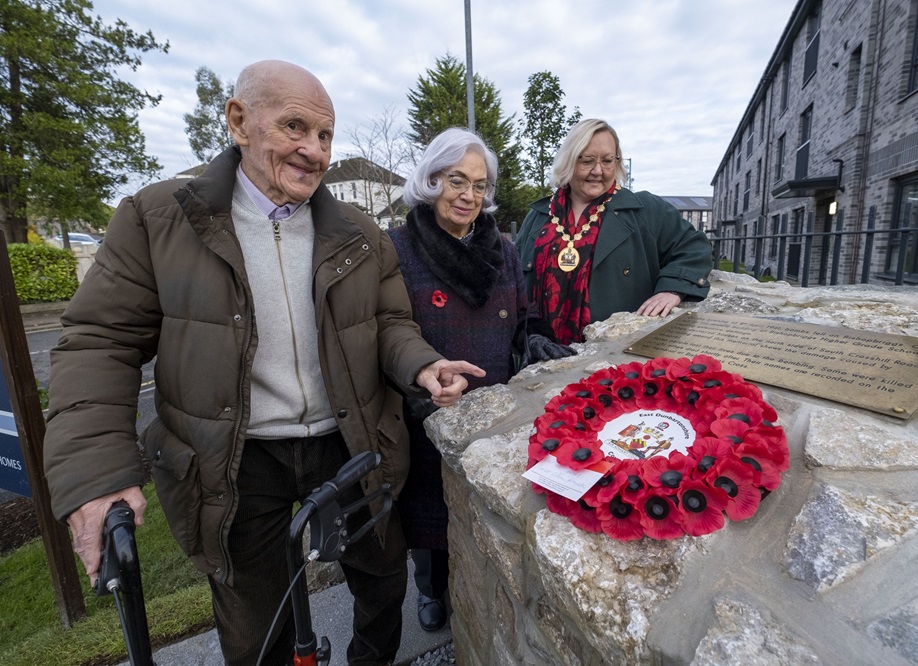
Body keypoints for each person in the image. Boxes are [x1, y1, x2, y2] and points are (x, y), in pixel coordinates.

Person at [43, 60, 484, 666]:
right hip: (236, 459)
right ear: (239, 122)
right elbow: (99, 340)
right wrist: (95, 474)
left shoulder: (360, 232)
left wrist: (422, 366)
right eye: (295, 127)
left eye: (325, 136)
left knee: (383, 583)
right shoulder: (158, 219)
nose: (314, 151)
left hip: (350, 442)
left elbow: (388, 325)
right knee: (255, 625)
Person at [387, 128, 572, 632]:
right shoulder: (398, 248)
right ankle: (430, 588)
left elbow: (523, 316)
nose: (469, 195)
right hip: (430, 405)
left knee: (484, 502)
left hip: (495, 404)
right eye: (456, 180)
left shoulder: (503, 249)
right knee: (429, 505)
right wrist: (422, 378)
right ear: (430, 179)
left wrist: (536, 340)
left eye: (479, 184)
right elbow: (389, 330)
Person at [515, 118, 714, 344]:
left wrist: (672, 289)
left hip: (611, 359)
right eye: (587, 161)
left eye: (608, 161)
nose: (598, 171)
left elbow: (694, 247)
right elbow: (513, 282)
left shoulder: (644, 209)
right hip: (541, 358)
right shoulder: (539, 215)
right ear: (568, 161)